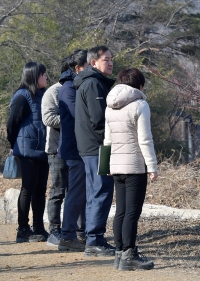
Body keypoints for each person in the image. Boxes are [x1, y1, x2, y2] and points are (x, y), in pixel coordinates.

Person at [104, 68, 158, 271]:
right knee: (132, 213)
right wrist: (152, 166)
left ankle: (120, 254)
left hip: (116, 167)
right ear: (140, 86)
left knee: (121, 211)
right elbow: (145, 139)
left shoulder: (109, 106)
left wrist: (105, 166)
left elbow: (107, 139)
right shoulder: (140, 105)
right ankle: (129, 253)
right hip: (135, 166)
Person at [74, 45, 115, 256]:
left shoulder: (94, 82)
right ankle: (94, 241)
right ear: (93, 63)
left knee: (96, 192)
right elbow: (100, 120)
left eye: (111, 59)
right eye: (106, 59)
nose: (110, 62)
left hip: (94, 146)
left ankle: (94, 238)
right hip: (99, 146)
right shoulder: (93, 84)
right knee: (101, 191)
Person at [7, 62, 49, 243]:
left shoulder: (42, 95)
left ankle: (38, 227)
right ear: (34, 76)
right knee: (27, 189)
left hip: (43, 151)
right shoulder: (22, 96)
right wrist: (14, 144)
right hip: (27, 151)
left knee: (40, 190)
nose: (46, 77)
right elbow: (12, 124)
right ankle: (22, 229)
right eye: (43, 74)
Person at [56, 50, 88, 252]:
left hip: (80, 147)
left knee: (79, 194)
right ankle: (67, 235)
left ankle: (76, 233)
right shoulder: (69, 88)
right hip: (75, 149)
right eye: (88, 66)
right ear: (77, 69)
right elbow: (79, 117)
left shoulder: (74, 86)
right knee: (75, 194)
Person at [41, 58, 67, 246]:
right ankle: (54, 230)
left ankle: (72, 230)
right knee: (57, 191)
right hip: (56, 149)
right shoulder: (53, 91)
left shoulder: (78, 90)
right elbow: (48, 119)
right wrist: (73, 119)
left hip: (76, 149)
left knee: (74, 191)